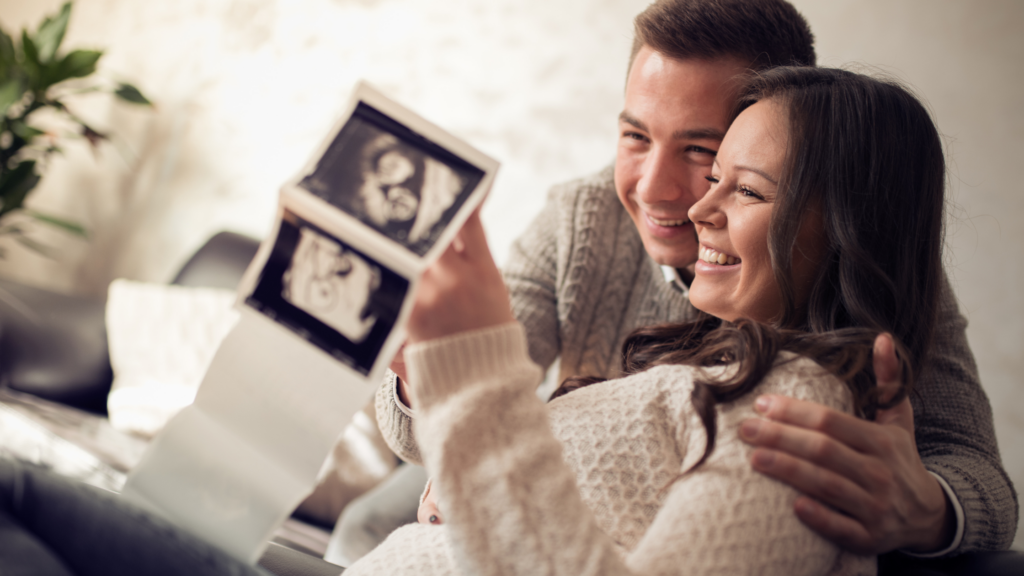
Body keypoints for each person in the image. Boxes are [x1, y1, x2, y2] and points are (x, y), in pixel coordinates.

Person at [366, 0, 1016, 564]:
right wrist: (423, 372)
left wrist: (926, 508)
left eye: (702, 152)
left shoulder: (855, 295)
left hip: (582, 509)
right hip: (543, 470)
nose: (657, 190)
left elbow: (976, 473)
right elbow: (438, 414)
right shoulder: (580, 220)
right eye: (635, 136)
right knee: (367, 519)